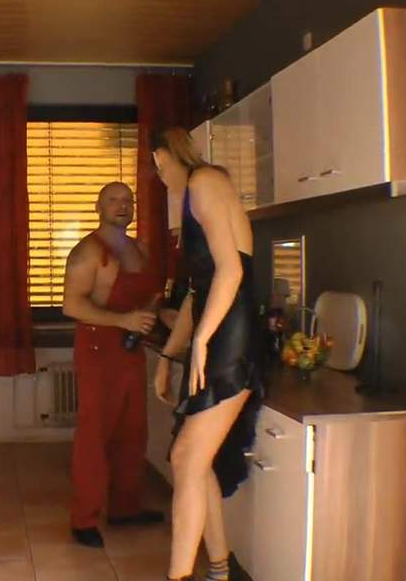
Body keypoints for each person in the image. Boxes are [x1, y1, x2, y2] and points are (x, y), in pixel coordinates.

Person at [151, 127, 263, 581]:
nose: (160, 176)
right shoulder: (192, 198)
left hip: (232, 334)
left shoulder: (205, 180)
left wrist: (201, 342)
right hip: (218, 330)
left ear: (176, 155)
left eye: (161, 165)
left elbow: (231, 270)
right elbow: (199, 293)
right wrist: (167, 356)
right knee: (194, 464)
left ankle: (182, 576)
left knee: (186, 459)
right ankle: (219, 569)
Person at [62, 181, 165, 548]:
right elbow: (72, 305)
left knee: (132, 431)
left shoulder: (140, 250)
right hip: (97, 348)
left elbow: (151, 295)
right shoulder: (88, 252)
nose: (122, 206)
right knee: (95, 434)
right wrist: (124, 321)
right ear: (98, 207)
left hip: (131, 349)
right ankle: (84, 519)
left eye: (128, 200)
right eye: (113, 200)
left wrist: (154, 311)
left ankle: (125, 508)